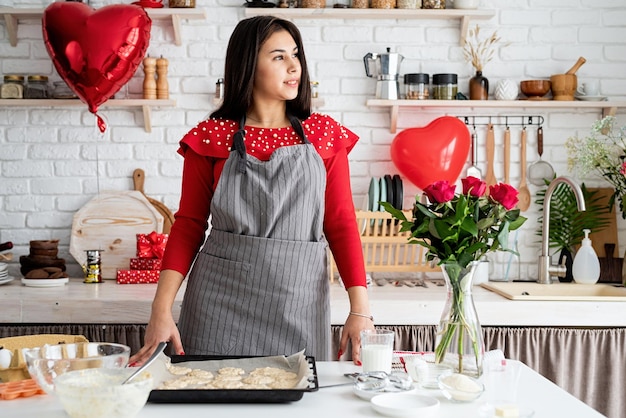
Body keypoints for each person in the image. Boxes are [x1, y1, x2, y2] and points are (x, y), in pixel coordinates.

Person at [130, 15, 374, 366]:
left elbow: (340, 223)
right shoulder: (211, 137)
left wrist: (360, 309)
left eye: (296, 55)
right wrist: (161, 309)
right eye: (279, 57)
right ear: (248, 65)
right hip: (219, 304)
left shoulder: (324, 135)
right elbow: (189, 225)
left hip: (299, 304)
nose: (294, 66)